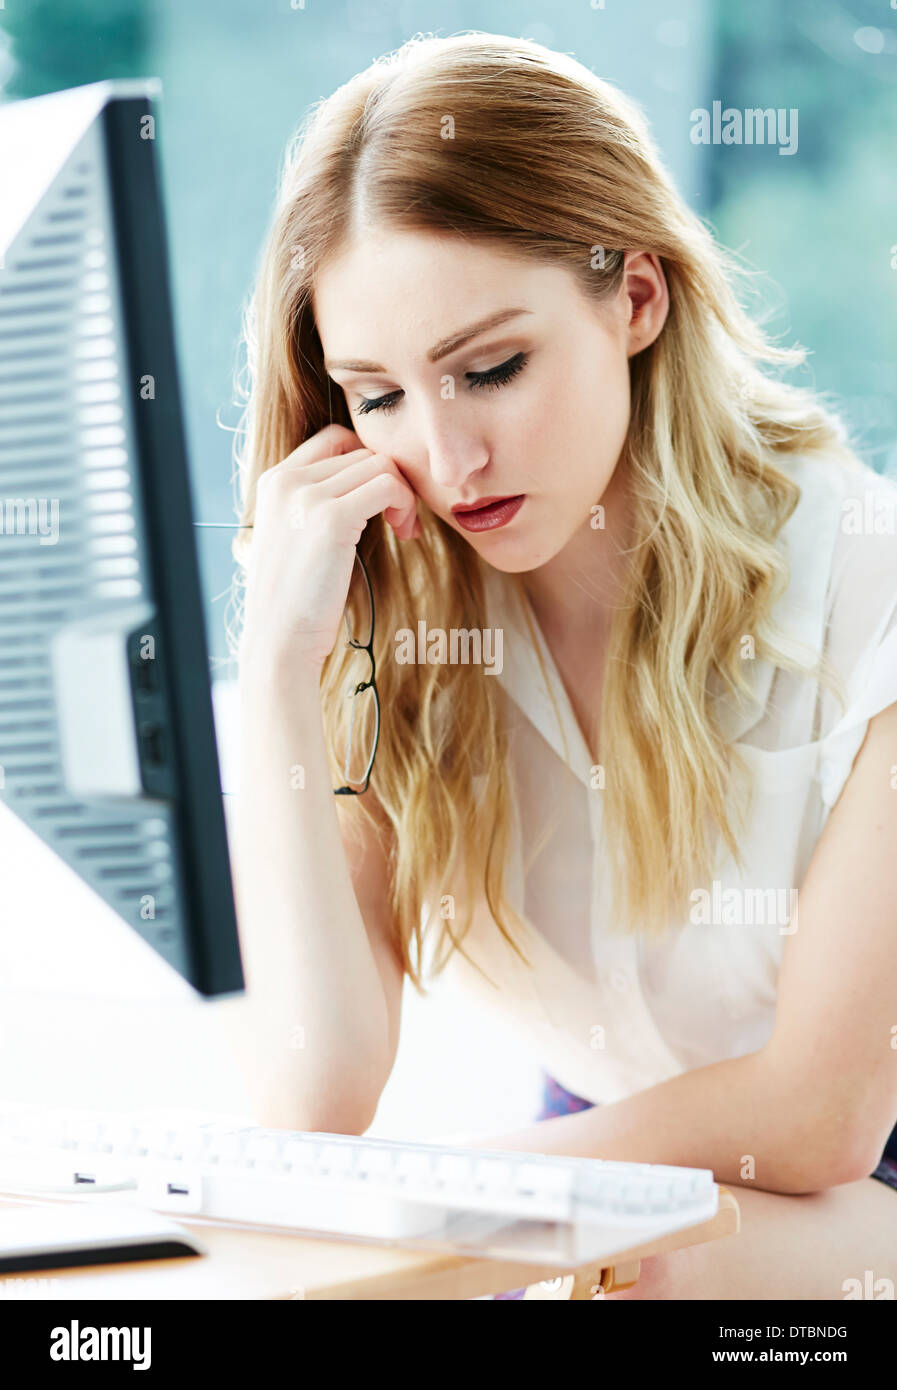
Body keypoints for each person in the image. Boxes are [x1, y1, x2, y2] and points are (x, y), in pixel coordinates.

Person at [216, 33, 897, 1299]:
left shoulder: (868, 579)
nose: (448, 455)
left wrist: (459, 1199)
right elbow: (319, 1096)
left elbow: (817, 1117)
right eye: (378, 396)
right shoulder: (402, 610)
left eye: (490, 370)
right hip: (602, 1189)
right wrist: (276, 672)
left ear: (636, 298)